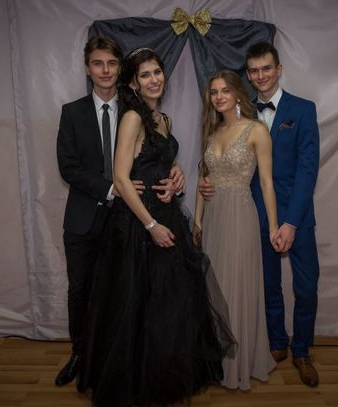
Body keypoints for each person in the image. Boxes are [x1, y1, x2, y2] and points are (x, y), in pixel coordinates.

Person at [76, 48, 235, 407]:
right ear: (134, 82)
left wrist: (175, 176)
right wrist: (150, 225)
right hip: (138, 224)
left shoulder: (163, 118)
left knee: (169, 308)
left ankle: (162, 377)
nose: (154, 80)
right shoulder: (133, 117)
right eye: (145, 75)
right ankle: (135, 384)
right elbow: (120, 177)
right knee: (137, 307)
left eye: (157, 72)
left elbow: (159, 161)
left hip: (166, 215)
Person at [55, 36, 183, 387]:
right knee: (82, 291)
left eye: (112, 63)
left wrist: (175, 171)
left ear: (121, 70)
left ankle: (114, 361)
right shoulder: (73, 112)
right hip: (87, 217)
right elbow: (69, 167)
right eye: (98, 63)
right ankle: (80, 354)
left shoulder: (136, 109)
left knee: (122, 294)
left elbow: (153, 154)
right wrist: (114, 188)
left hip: (129, 221)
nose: (105, 70)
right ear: (88, 69)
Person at [199, 42, 321, 387]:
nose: (260, 75)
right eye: (253, 71)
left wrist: (290, 222)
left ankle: (302, 351)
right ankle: (275, 343)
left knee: (306, 287)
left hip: (296, 215)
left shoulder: (303, 109)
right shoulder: (240, 112)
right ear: (248, 76)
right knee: (266, 287)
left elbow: (308, 170)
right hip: (251, 216)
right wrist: (209, 185)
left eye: (266, 68)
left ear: (278, 69)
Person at [193, 70, 281, 390]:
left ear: (237, 93)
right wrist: (197, 220)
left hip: (240, 215)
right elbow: (203, 180)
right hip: (213, 216)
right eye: (213, 92)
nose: (219, 97)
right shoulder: (212, 132)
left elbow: (267, 183)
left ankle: (237, 365)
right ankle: (215, 363)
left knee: (235, 285)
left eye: (224, 90)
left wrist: (273, 227)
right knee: (213, 288)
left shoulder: (256, 131)